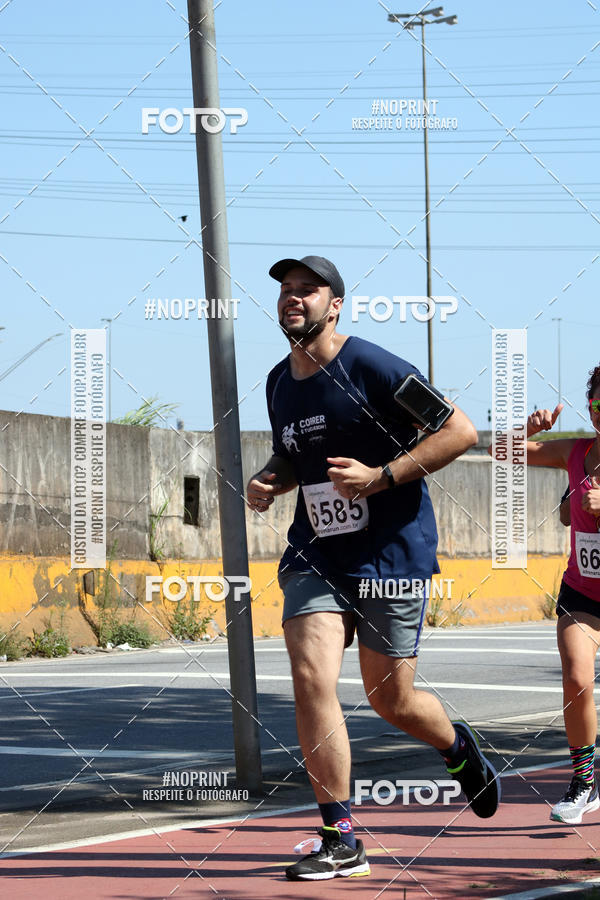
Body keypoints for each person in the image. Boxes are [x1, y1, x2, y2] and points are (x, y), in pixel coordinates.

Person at [247, 254, 501, 882]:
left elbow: (460, 431)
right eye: (286, 291)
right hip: (316, 552)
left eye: (308, 290)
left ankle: (455, 745)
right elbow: (296, 453)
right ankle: (341, 833)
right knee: (311, 677)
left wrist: (380, 477)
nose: (293, 299)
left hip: (390, 554)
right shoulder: (280, 382)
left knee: (392, 699)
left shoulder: (374, 366)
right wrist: (271, 479)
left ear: (336, 305)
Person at [515, 369, 600, 824]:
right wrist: (524, 430)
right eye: (599, 406)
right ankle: (584, 783)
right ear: (590, 408)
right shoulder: (576, 451)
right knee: (576, 678)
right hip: (583, 591)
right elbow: (501, 453)